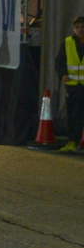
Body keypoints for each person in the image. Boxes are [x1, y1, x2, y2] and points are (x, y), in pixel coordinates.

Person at [54, 15, 84, 151]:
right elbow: (59, 61)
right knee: (73, 115)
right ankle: (72, 141)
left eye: (83, 27)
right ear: (73, 28)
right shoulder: (67, 42)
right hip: (73, 86)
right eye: (77, 27)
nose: (80, 30)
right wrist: (62, 74)